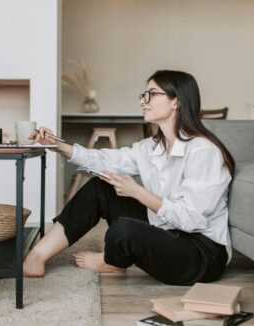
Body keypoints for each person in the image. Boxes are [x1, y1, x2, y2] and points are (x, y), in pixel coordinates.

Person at [24, 70, 235, 286]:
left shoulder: (203, 151)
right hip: (167, 230)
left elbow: (191, 220)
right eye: (144, 95)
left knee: (123, 230)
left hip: (201, 252)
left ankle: (112, 261)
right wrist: (58, 146)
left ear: (176, 102)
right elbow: (104, 160)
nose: (144, 101)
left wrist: (138, 192)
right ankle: (37, 256)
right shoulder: (151, 147)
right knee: (101, 186)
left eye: (152, 94)